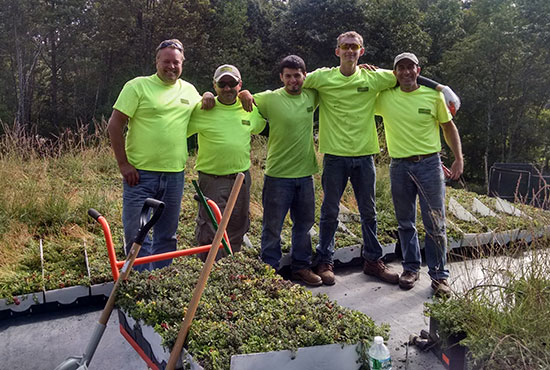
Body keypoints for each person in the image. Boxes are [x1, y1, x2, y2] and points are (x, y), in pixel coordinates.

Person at [302, 31, 460, 285]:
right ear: (337, 50)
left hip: (365, 156)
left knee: (369, 212)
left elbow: (408, 76)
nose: (350, 51)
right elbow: (294, 81)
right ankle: (325, 261)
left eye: (355, 47)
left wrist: (442, 88)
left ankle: (373, 261)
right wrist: (248, 96)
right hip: (334, 156)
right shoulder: (322, 77)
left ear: (361, 51)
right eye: (345, 46)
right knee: (329, 211)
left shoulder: (374, 78)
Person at [107, 39, 211, 271]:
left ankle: (161, 288)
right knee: (137, 237)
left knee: (167, 236)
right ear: (157, 61)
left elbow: (204, 110)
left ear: (182, 63)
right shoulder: (137, 86)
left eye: (176, 62)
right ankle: (140, 290)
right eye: (166, 61)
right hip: (140, 177)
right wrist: (123, 164)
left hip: (174, 176)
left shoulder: (189, 90)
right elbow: (114, 125)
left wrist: (207, 95)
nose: (171, 66)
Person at [375, 52, 463, 297]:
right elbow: (364, 87)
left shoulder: (433, 96)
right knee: (405, 222)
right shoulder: (385, 98)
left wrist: (458, 158)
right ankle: (411, 268)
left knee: (435, 222)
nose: (406, 72)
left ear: (418, 70)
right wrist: (368, 69)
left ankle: (439, 277)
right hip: (399, 166)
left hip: (429, 165)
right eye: (400, 68)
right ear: (395, 73)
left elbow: (448, 127)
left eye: (410, 67)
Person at [247, 55, 322, 286]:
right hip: (278, 175)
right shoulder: (270, 98)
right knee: (272, 226)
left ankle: (301, 267)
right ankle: (270, 269)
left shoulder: (312, 95)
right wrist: (243, 93)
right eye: (288, 76)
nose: (293, 80)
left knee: (304, 225)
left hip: (305, 173)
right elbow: (245, 97)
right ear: (281, 77)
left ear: (304, 76)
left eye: (297, 75)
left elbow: (335, 79)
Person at [187, 64, 266, 260]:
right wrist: (202, 96)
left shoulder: (248, 108)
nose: (228, 88)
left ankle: (229, 269)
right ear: (215, 86)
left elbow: (267, 127)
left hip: (241, 178)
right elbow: (176, 127)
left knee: (238, 224)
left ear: (240, 85)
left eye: (232, 83)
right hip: (212, 179)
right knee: (210, 227)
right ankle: (210, 272)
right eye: (222, 84)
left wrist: (249, 95)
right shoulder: (203, 108)